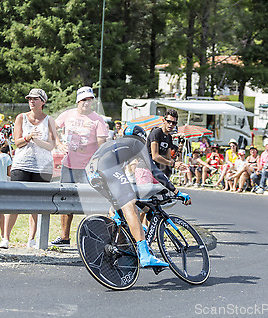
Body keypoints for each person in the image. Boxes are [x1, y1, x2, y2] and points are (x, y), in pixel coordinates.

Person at [86, 125, 191, 267]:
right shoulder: (137, 144)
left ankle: (118, 237)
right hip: (107, 168)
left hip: (90, 172)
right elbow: (155, 170)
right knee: (130, 205)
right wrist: (176, 191)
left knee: (119, 205)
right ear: (142, 137)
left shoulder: (118, 144)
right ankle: (145, 255)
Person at [49, 86, 109, 246]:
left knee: (90, 202)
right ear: (78, 100)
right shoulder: (67, 115)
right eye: (84, 100)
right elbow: (51, 127)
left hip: (88, 168)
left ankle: (92, 237)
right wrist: (59, 143)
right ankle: (64, 237)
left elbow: (103, 144)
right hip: (68, 165)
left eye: (90, 100)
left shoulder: (97, 119)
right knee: (65, 200)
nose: (87, 103)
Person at [2, 88, 57, 249]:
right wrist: (28, 137)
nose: (31, 101)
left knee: (37, 204)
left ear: (43, 102)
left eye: (35, 99)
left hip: (42, 167)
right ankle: (5, 238)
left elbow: (51, 146)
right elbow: (17, 142)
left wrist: (38, 141)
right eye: (29, 99)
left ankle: (32, 239)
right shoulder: (21, 117)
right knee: (15, 202)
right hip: (22, 164)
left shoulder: (49, 120)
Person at [146, 109, 185, 178]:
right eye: (169, 121)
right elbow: (155, 156)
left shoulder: (169, 137)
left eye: (174, 123)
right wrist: (172, 164)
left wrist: (179, 165)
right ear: (163, 121)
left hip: (159, 171)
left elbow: (168, 157)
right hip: (148, 170)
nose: (171, 124)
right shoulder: (156, 132)